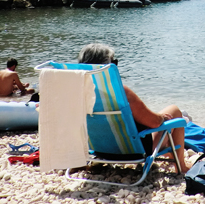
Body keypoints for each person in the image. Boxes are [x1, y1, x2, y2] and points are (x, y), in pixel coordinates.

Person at [77, 43, 190, 173]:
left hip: (100, 151)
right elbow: (154, 122)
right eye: (114, 62)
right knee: (174, 110)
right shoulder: (119, 92)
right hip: (134, 151)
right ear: (106, 67)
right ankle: (180, 166)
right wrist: (161, 118)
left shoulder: (77, 92)